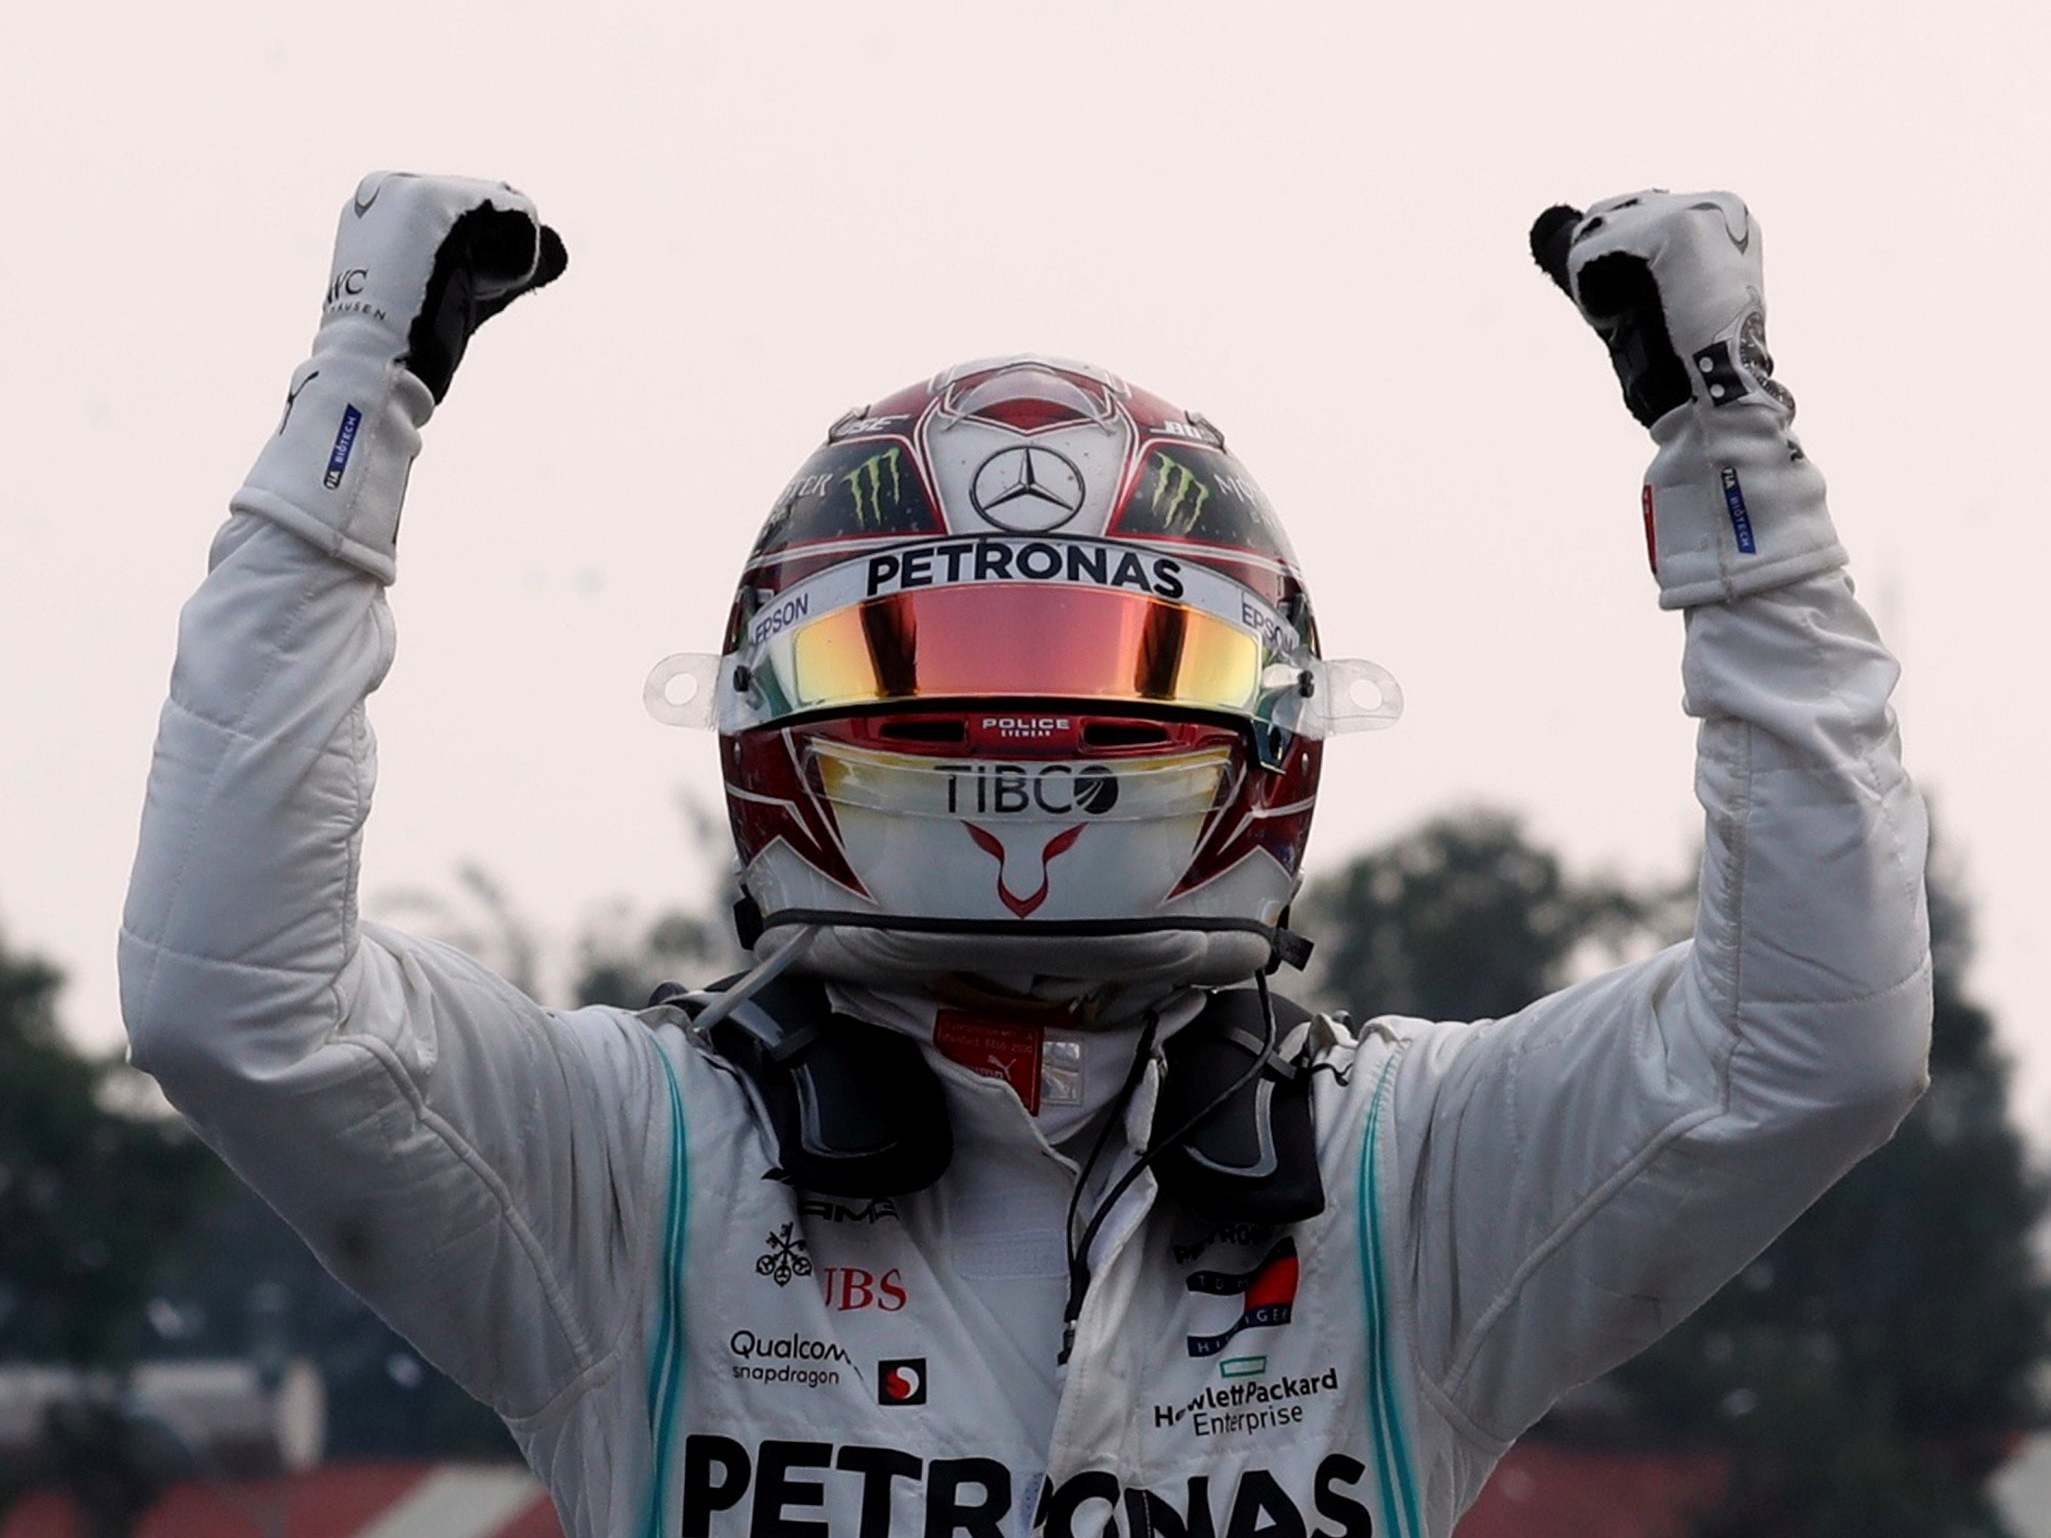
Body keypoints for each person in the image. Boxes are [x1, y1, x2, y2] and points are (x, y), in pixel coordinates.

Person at [120, 174, 1931, 1538]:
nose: (1024, 746)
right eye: (926, 680)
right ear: (771, 714)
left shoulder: (1393, 1183)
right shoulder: (636, 1169)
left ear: (1275, 721)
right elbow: (231, 999)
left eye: (1117, 679)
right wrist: (352, 424)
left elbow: (1816, 1044)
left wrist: (1730, 454)